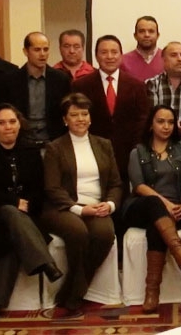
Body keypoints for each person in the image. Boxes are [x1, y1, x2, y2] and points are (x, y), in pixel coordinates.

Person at [0, 103, 62, 321]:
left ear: (20, 124)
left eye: (12, 121)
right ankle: (45, 262)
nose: (8, 127)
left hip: (25, 219)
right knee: (10, 212)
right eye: (2, 123)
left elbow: (39, 189)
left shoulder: (31, 153)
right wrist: (13, 202)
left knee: (11, 240)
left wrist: (26, 205)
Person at [41, 93, 123, 318]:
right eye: (74, 115)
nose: (80, 119)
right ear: (65, 120)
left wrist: (109, 204)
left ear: (90, 117)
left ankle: (71, 288)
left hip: (97, 206)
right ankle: (75, 296)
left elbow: (116, 183)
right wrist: (78, 208)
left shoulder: (104, 145)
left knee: (104, 234)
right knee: (78, 232)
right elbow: (52, 188)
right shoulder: (55, 148)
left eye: (84, 114)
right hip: (63, 208)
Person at [122, 104, 181, 313]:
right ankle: (180, 253)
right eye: (161, 121)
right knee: (155, 204)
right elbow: (139, 186)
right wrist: (167, 204)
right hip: (142, 207)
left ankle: (151, 293)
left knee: (157, 229)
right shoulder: (138, 152)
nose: (166, 126)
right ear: (151, 125)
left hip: (176, 211)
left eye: (170, 122)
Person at [72, 35, 149, 183]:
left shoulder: (137, 86)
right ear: (96, 56)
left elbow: (142, 120)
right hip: (91, 152)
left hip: (127, 154)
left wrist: (135, 150)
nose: (109, 57)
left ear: (121, 55)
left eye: (114, 52)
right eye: (104, 52)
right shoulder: (81, 85)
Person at [0, 32, 71, 149]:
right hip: (22, 143)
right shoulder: (11, 80)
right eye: (37, 50)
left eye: (46, 49)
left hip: (53, 143)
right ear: (26, 51)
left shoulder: (60, 79)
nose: (42, 54)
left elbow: (66, 111)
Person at [121, 16, 163, 82]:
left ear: (158, 35)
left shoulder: (167, 59)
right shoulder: (122, 61)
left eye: (151, 31)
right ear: (135, 35)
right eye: (142, 31)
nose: (146, 35)